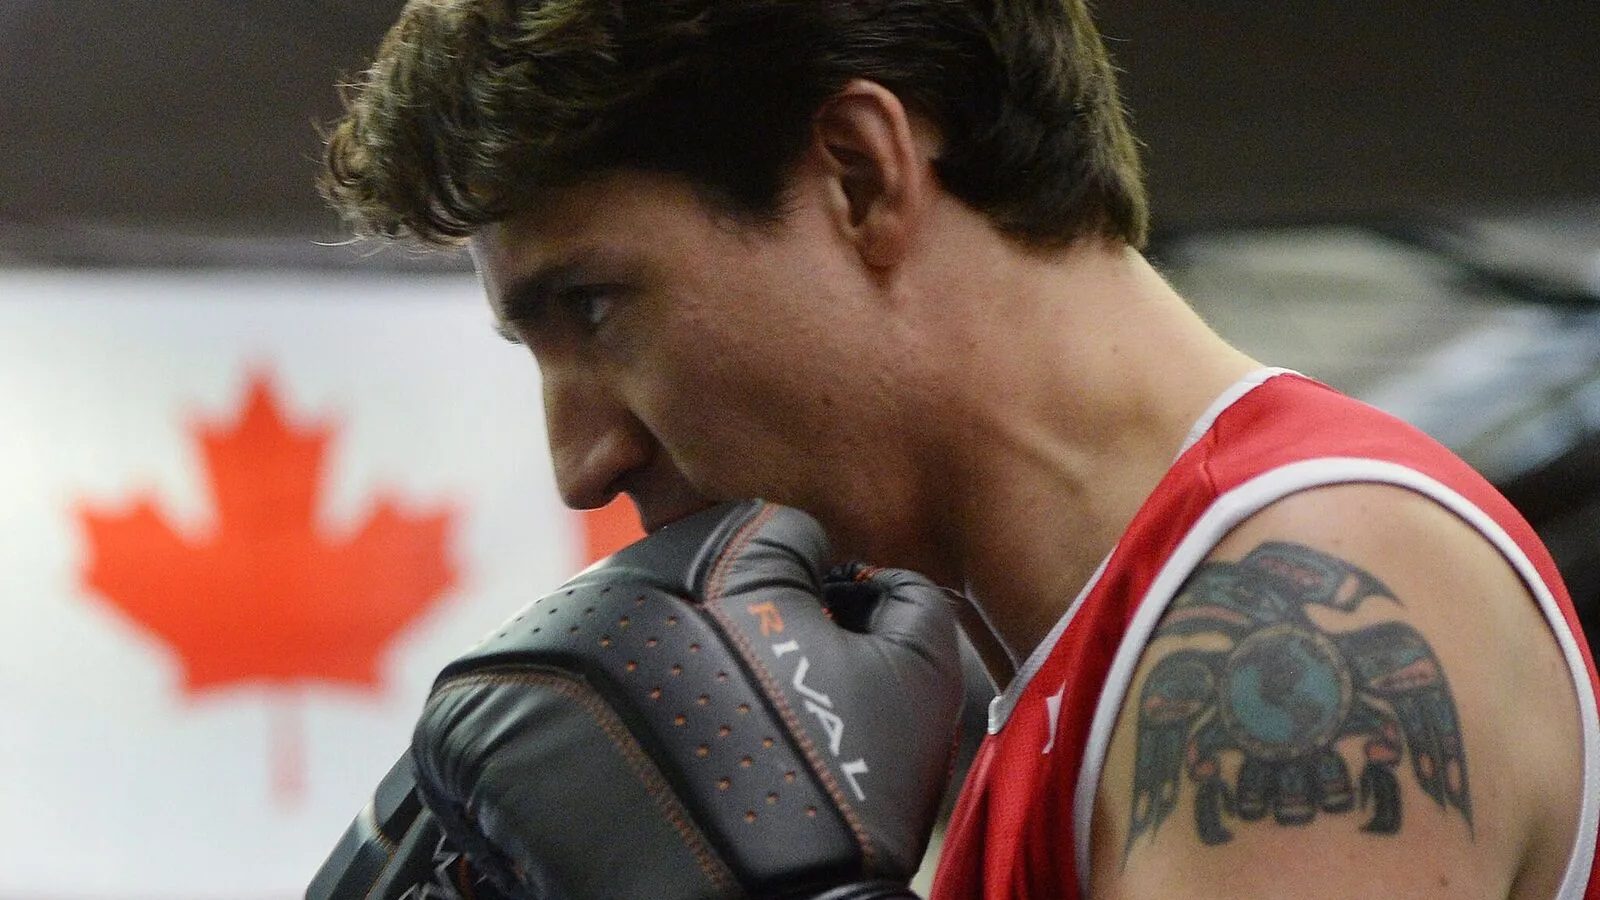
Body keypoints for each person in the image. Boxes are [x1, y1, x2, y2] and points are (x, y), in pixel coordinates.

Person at [318, 1, 1599, 897]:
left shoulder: (1297, 596)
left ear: (861, 177)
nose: (581, 461)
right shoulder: (1023, 701)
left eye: (591, 306)